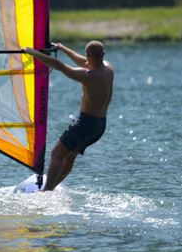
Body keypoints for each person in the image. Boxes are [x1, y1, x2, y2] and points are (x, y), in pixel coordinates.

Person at [24, 40, 114, 191]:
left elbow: (60, 66)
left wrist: (33, 53)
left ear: (89, 55)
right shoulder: (108, 68)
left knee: (57, 154)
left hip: (86, 123)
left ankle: (46, 192)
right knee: (70, 155)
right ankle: (51, 188)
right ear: (103, 55)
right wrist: (63, 48)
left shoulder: (88, 76)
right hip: (100, 125)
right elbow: (85, 61)